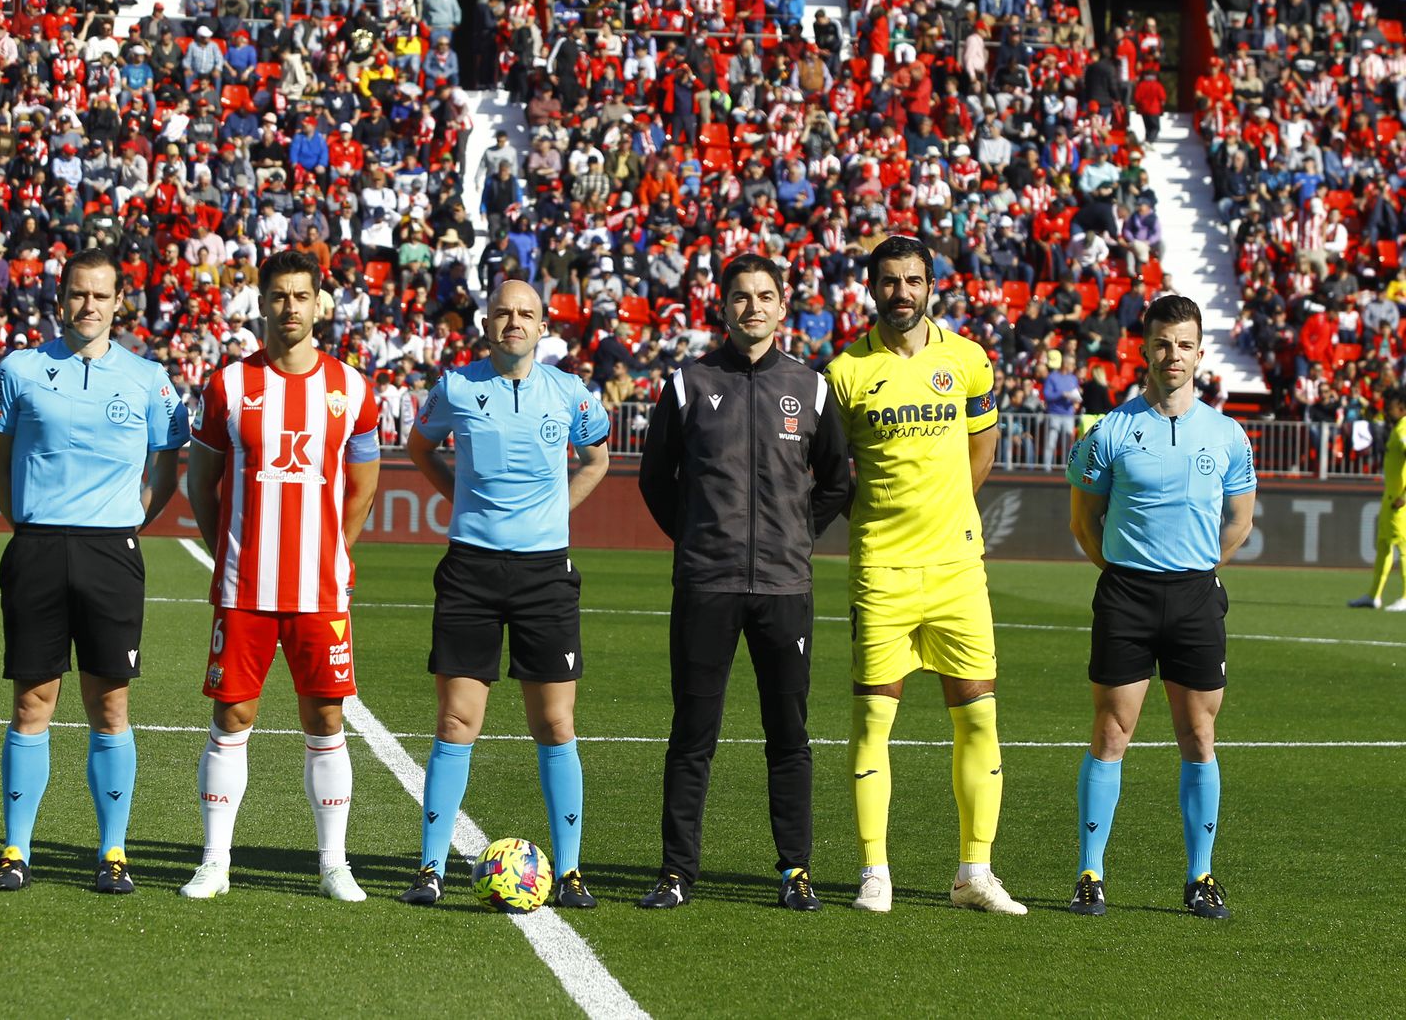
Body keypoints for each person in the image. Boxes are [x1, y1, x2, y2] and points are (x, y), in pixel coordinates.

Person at [637, 253, 852, 910]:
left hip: (785, 588)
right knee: (693, 731)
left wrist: (795, 534)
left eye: (764, 295)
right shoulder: (689, 384)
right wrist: (701, 536)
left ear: (783, 307)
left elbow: (838, 480)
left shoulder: (810, 387)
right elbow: (655, 479)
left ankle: (795, 869)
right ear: (722, 306)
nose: (752, 306)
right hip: (707, 582)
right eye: (740, 296)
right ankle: (677, 871)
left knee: (789, 733)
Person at [825, 236, 1026, 915]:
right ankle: (874, 871)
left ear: (932, 284)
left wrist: (951, 516)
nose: (901, 292)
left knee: (978, 718)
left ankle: (975, 871)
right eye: (888, 281)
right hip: (880, 569)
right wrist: (875, 516)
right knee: (871, 722)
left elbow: (982, 444)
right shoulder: (845, 373)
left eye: (913, 280)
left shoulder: (967, 360)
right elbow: (829, 472)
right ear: (870, 288)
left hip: (956, 571)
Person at [0, 248, 189, 892]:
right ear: (60, 297)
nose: (88, 306)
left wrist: (124, 527)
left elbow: (169, 469)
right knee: (31, 702)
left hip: (111, 552)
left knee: (111, 704)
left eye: (100, 296)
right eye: (77, 294)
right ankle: (16, 852)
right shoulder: (18, 369)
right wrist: (31, 524)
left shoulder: (149, 378)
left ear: (119, 302)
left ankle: (113, 853)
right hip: (37, 546)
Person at [178, 250, 382, 901]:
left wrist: (335, 550)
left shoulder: (351, 388)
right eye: (278, 296)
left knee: (326, 717)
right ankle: (215, 860)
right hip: (245, 586)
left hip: (319, 588)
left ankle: (333, 864)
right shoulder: (228, 386)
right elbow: (201, 485)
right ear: (261, 302)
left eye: (301, 296)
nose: (290, 307)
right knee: (232, 713)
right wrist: (227, 549)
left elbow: (364, 485)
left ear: (321, 304)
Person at [399, 279, 611, 907]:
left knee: (555, 721)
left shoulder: (571, 392)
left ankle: (569, 871)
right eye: (502, 313)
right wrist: (461, 502)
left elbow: (596, 459)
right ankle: (430, 870)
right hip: (470, 570)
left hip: (545, 574)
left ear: (543, 326)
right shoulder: (455, 387)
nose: (513, 322)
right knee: (456, 720)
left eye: (526, 314)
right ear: (486, 324)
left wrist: (558, 513)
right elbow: (420, 447)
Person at [1066, 294, 1257, 919]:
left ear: (1200, 353)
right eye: (1161, 344)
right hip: (1126, 594)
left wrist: (1196, 571)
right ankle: (1090, 874)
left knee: (1199, 735)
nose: (1172, 355)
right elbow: (1083, 521)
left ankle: (1200, 877)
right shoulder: (1110, 431)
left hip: (1197, 595)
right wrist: (1124, 572)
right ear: (1143, 350)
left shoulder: (1228, 434)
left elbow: (1239, 523)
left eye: (1183, 344)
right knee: (1110, 733)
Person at [1348, 390, 1406, 610]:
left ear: (1401, 407)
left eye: (1390, 406)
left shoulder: (1403, 430)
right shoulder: (1397, 429)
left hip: (1400, 502)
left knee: (1402, 547)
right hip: (1390, 498)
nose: (1387, 410)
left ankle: (1405, 596)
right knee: (1383, 546)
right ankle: (1374, 595)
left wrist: (1404, 496)